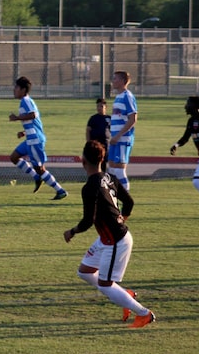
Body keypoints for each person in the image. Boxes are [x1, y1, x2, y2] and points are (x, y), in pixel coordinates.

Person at [64, 140, 155, 328]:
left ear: (83, 161)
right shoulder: (110, 177)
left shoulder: (89, 187)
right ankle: (124, 296)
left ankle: (144, 313)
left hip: (116, 240)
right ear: (102, 158)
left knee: (105, 284)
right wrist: (122, 219)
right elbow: (129, 203)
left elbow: (88, 221)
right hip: (108, 238)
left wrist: (72, 232)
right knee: (85, 272)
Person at [8, 76, 68, 200]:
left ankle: (60, 190)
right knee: (14, 157)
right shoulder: (25, 101)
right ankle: (36, 177)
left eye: (16, 87)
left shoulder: (25, 100)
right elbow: (33, 121)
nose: (14, 90)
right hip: (30, 138)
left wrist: (17, 118)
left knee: (40, 168)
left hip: (35, 140)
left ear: (23, 90)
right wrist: (24, 132)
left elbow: (33, 115)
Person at [170, 96, 199, 204]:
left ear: (194, 106)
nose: (185, 107)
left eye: (188, 104)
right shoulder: (191, 121)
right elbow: (185, 138)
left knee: (197, 181)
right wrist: (176, 145)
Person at [108, 70, 137, 190]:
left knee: (119, 170)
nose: (113, 81)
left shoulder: (127, 96)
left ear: (122, 81)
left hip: (122, 139)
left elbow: (133, 119)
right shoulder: (118, 97)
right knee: (112, 170)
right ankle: (113, 199)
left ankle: (127, 199)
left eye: (115, 79)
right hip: (115, 139)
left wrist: (118, 135)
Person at [85, 98, 111, 171]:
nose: (99, 108)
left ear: (106, 107)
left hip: (105, 144)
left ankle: (103, 177)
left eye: (101, 106)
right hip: (96, 144)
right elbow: (88, 131)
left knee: (104, 162)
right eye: (98, 106)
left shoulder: (109, 118)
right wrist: (89, 142)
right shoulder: (93, 118)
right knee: (95, 162)